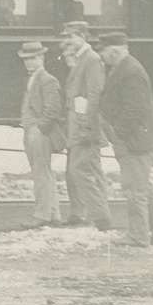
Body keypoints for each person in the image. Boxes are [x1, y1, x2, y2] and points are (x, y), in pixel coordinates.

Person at [96, 32, 153, 246]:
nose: (101, 57)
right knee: (142, 186)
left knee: (134, 189)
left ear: (114, 51)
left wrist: (118, 134)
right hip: (136, 138)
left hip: (137, 140)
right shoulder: (124, 68)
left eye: (103, 52)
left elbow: (135, 109)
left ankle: (138, 236)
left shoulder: (131, 71)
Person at [59, 21, 112, 229]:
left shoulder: (91, 59)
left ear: (82, 35)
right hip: (78, 125)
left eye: (70, 36)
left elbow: (94, 95)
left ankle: (100, 217)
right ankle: (92, 214)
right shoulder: (83, 59)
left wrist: (87, 127)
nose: (67, 41)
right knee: (91, 169)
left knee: (80, 170)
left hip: (84, 126)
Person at [16, 41, 65, 228]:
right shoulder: (36, 78)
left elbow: (53, 109)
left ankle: (42, 215)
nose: (28, 62)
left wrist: (39, 128)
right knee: (44, 172)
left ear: (42, 57)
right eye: (25, 59)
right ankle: (53, 214)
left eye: (33, 58)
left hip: (38, 132)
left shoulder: (47, 80)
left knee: (40, 173)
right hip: (32, 130)